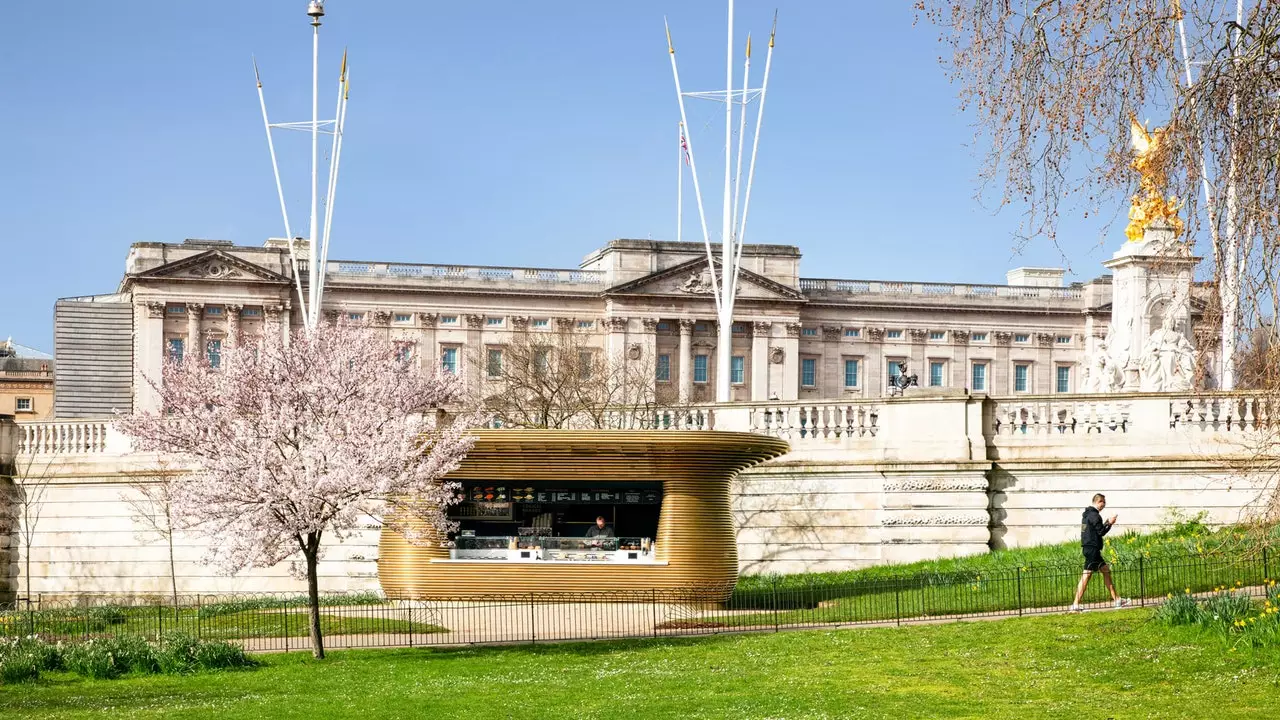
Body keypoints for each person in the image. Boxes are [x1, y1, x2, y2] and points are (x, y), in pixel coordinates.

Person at [1069, 493, 1130, 613]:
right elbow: (1101, 532)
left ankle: (1117, 599)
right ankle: (1075, 604)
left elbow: (1094, 530)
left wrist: (1106, 522)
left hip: (1088, 548)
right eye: (1103, 502)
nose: (1104, 505)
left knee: (1106, 570)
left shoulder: (1087, 515)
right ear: (1098, 502)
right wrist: (1110, 523)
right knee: (1086, 576)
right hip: (1092, 549)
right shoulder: (1095, 515)